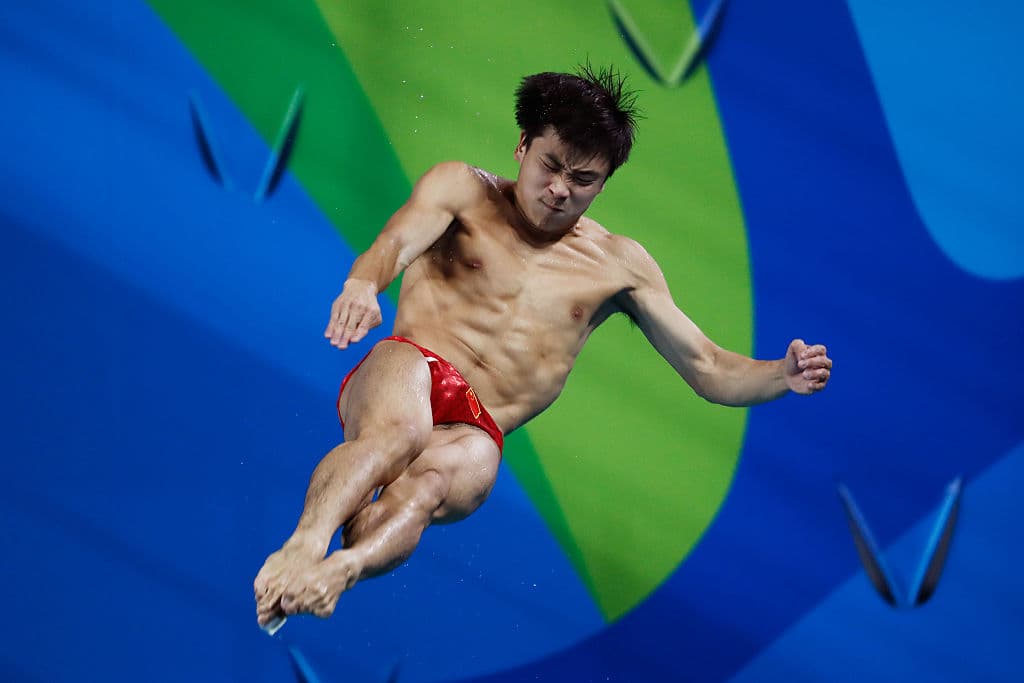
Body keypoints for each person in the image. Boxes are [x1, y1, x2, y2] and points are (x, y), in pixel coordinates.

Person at [253, 65, 832, 629]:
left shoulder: (619, 268)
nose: (559, 190)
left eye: (583, 180)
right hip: (414, 367)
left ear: (604, 182)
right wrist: (362, 283)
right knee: (397, 436)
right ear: (522, 147)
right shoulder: (462, 190)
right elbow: (394, 242)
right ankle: (303, 545)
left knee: (434, 486)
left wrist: (781, 375)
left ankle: (341, 572)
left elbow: (709, 367)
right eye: (550, 166)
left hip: (479, 427)